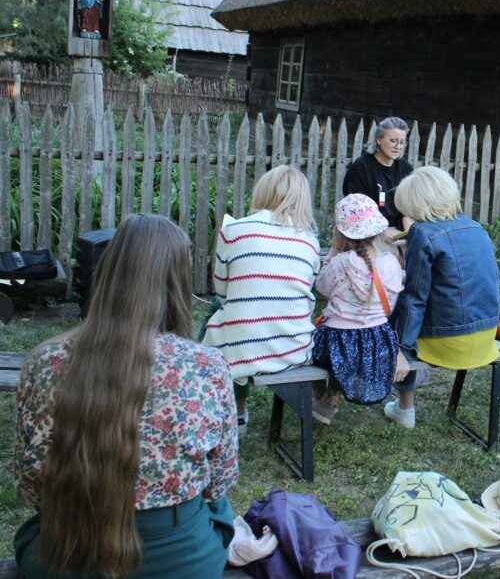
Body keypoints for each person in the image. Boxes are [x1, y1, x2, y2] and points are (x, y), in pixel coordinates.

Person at [14, 215, 238, 579]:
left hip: (64, 555)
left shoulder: (44, 361)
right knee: (219, 511)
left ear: (108, 273)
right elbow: (220, 482)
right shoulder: (207, 365)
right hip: (180, 561)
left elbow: (28, 483)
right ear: (178, 281)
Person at [202, 164, 320, 434]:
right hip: (294, 347)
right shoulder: (309, 240)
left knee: (220, 318)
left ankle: (237, 412)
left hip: (243, 347)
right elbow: (307, 288)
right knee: (237, 320)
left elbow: (222, 290)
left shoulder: (234, 231)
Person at [387, 166, 500, 429]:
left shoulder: (422, 233)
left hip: (448, 343)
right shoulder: (476, 227)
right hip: (485, 336)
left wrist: (401, 350)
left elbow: (414, 298)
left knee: (394, 311)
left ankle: (405, 408)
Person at [310, 193, 406, 424]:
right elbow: (390, 305)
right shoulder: (391, 263)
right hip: (377, 341)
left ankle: (321, 395)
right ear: (379, 230)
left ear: (342, 233)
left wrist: (334, 250)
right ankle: (330, 396)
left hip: (338, 341)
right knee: (345, 350)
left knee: (310, 344)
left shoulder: (341, 262)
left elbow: (322, 287)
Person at [343, 116, 415, 231]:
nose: (398, 147)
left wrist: (409, 235)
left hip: (399, 229)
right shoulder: (361, 167)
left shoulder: (406, 169)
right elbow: (356, 207)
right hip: (367, 229)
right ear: (378, 139)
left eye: (401, 142)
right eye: (393, 141)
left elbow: (410, 209)